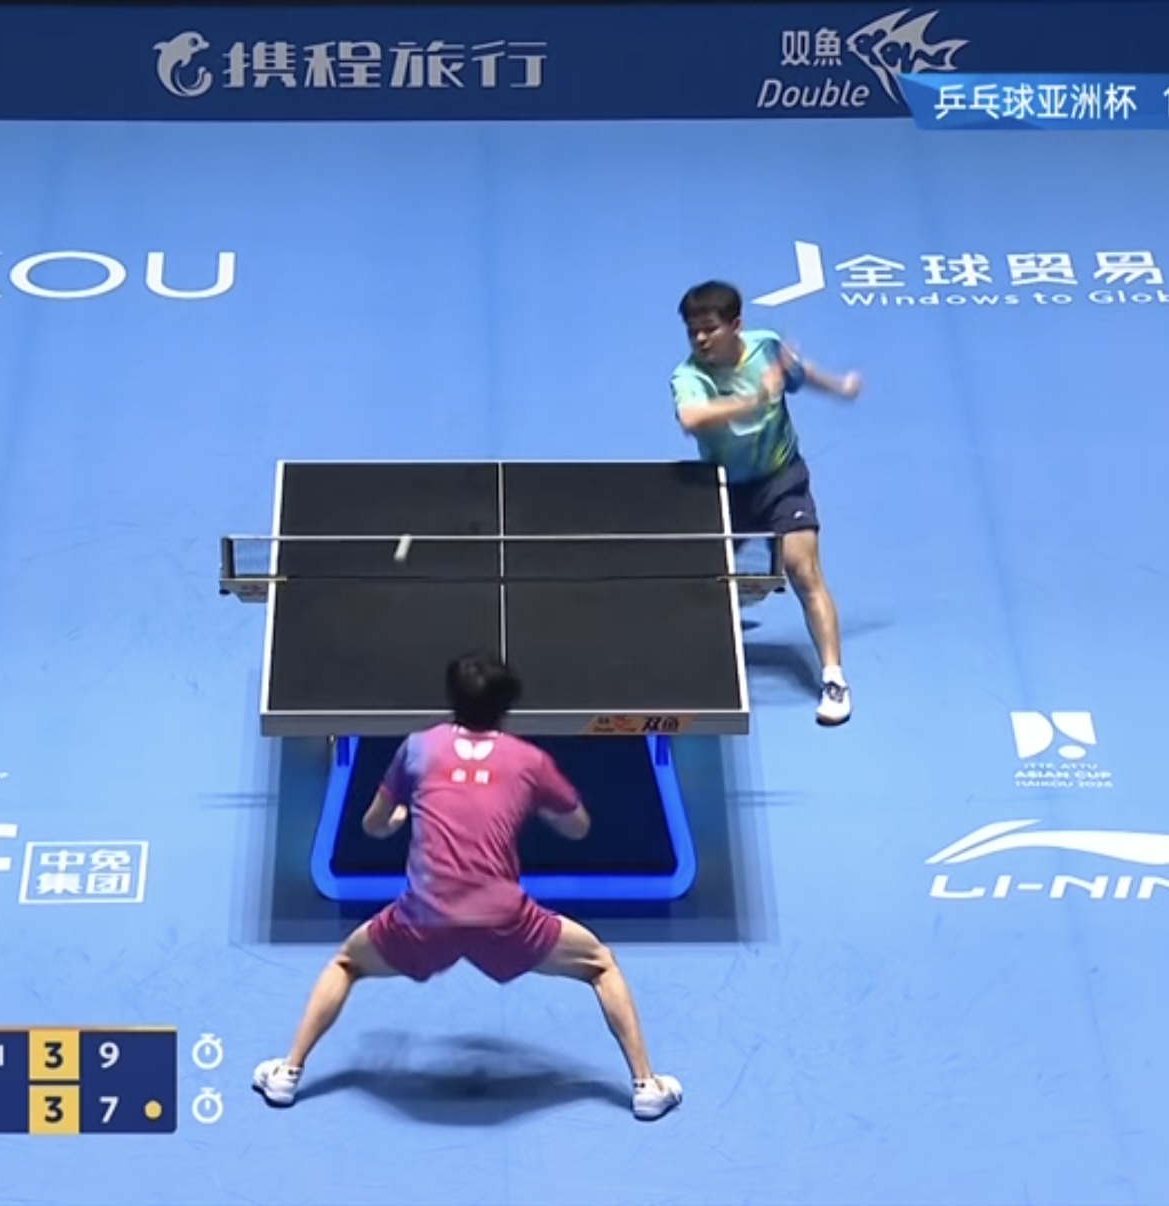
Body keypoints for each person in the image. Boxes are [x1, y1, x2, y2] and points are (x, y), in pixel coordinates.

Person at [251, 652, 683, 1122]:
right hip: (505, 921)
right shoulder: (530, 760)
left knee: (346, 963)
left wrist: (398, 817)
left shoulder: (418, 748)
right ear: (506, 706)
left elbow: (373, 825)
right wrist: (537, 804)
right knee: (600, 964)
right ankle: (646, 1087)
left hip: (423, 918)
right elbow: (578, 828)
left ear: (451, 699)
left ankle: (288, 1073)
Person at [671, 279, 862, 727]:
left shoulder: (765, 347)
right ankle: (740, 597)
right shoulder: (689, 377)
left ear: (736, 325)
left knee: (803, 570)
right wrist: (754, 399)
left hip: (781, 478)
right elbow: (691, 418)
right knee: (708, 589)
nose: (700, 338)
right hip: (723, 489)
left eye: (709, 329)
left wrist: (839, 387)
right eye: (693, 331)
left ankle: (834, 679)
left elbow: (799, 375)